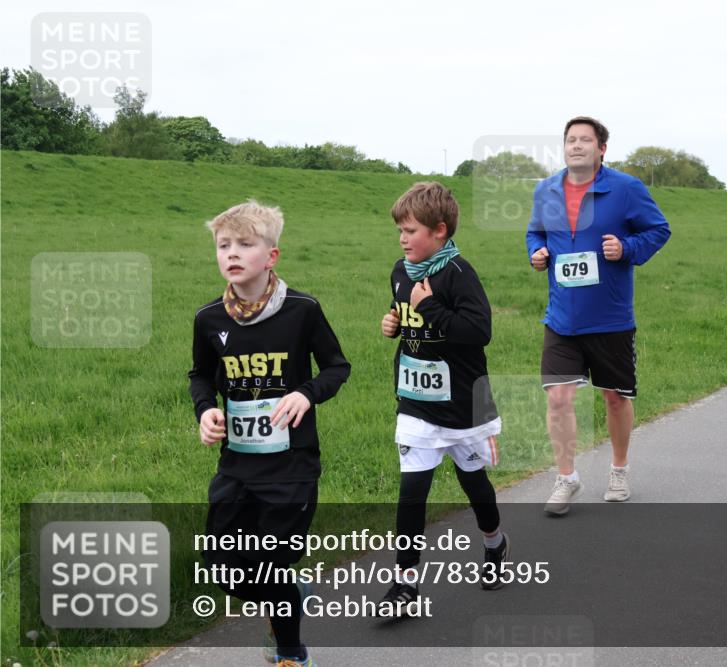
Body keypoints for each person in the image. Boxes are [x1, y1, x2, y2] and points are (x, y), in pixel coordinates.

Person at [189, 200, 351, 667]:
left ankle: (292, 654)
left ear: (271, 256)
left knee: (268, 565)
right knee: (222, 568)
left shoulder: (302, 310)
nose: (231, 253)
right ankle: (292, 593)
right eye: (224, 245)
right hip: (236, 467)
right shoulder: (208, 319)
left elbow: (337, 367)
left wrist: (306, 393)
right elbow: (200, 376)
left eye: (245, 244)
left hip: (291, 467)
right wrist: (206, 410)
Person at [526, 116, 671, 515]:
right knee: (558, 397)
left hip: (610, 318)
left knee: (615, 398)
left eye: (585, 140)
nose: (576, 146)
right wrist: (536, 253)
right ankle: (566, 478)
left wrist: (625, 249)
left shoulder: (626, 189)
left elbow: (658, 230)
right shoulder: (546, 190)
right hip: (562, 318)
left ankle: (619, 470)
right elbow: (535, 233)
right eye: (570, 140)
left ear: (602, 149)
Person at [380, 181, 509, 611]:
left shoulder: (458, 274)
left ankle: (494, 543)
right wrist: (395, 324)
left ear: (439, 231)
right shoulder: (401, 272)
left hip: (463, 407)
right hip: (416, 404)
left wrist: (431, 307)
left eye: (410, 230)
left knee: (474, 483)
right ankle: (406, 583)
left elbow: (478, 331)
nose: (402, 239)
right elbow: (407, 315)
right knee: (412, 492)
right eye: (400, 230)